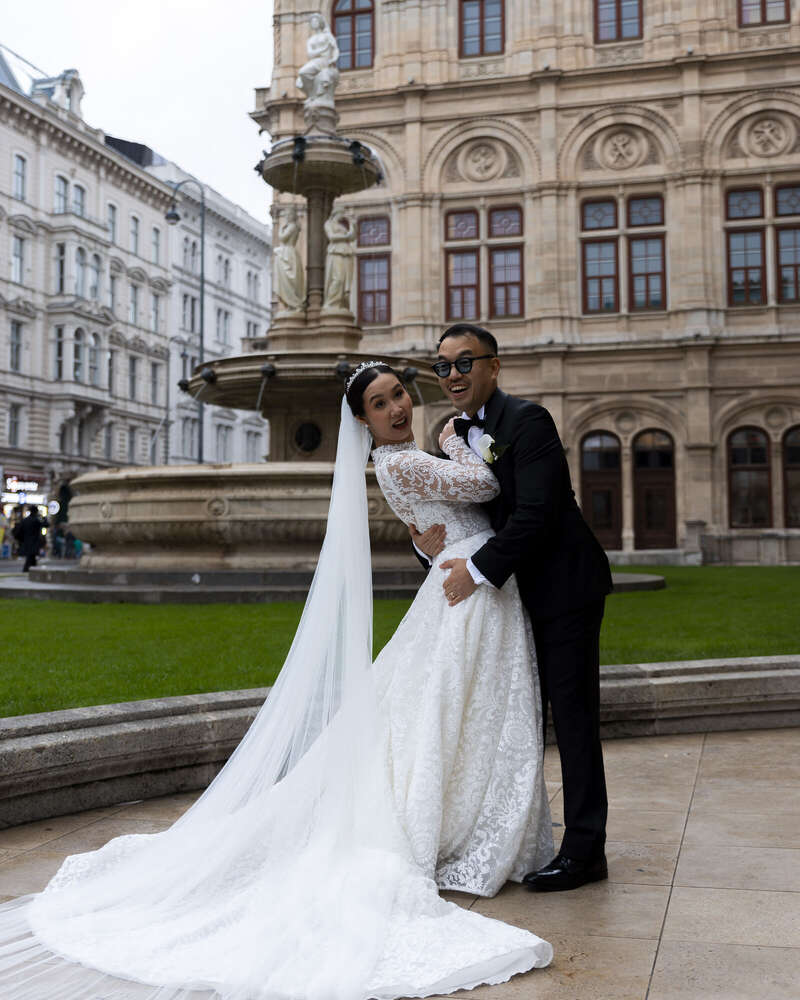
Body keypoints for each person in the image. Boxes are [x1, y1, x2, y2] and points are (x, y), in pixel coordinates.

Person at [0, 363, 553, 1000]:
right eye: (381, 404)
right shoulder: (400, 462)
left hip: (460, 582)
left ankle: (475, 822)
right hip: (468, 590)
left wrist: (430, 542)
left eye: (399, 394)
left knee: (452, 711)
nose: (398, 408)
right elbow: (482, 481)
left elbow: (433, 528)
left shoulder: (397, 461)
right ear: (364, 421)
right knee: (453, 711)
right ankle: (460, 826)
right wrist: (456, 437)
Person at [413, 324, 613, 892]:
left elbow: (537, 513)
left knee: (572, 720)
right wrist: (431, 550)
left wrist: (475, 573)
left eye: (464, 363)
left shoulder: (528, 421)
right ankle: (509, 837)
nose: (453, 375)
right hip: (511, 596)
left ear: (493, 367)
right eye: (443, 366)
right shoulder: (452, 433)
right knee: (515, 723)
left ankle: (585, 852)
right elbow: (460, 517)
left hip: (563, 588)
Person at [17, 505, 45, 572]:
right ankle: (28, 571)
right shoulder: (36, 520)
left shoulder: (25, 520)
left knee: (31, 559)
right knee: (30, 559)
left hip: (26, 542)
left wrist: (21, 540)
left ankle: (31, 572)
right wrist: (44, 518)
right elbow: (46, 524)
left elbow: (19, 532)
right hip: (34, 542)